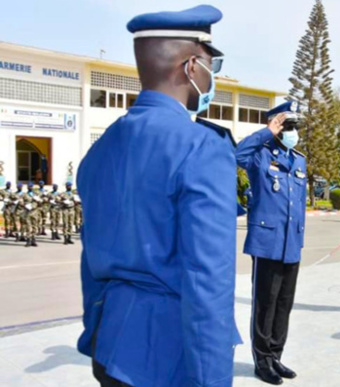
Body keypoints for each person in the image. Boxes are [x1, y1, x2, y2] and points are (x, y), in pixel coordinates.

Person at [75, 5, 240, 387]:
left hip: (110, 344)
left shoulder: (101, 148)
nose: (211, 77)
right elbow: (208, 281)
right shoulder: (202, 147)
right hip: (169, 357)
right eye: (210, 66)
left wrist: (97, 329)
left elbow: (91, 261)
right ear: (190, 67)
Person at [236, 101, 306, 385]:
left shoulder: (298, 159)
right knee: (265, 303)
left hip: (292, 243)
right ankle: (262, 361)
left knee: (284, 304)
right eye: (287, 126)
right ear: (275, 128)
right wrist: (265, 132)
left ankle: (276, 355)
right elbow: (236, 155)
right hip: (267, 241)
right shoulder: (259, 155)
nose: (293, 132)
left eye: (294, 127)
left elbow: (298, 203)